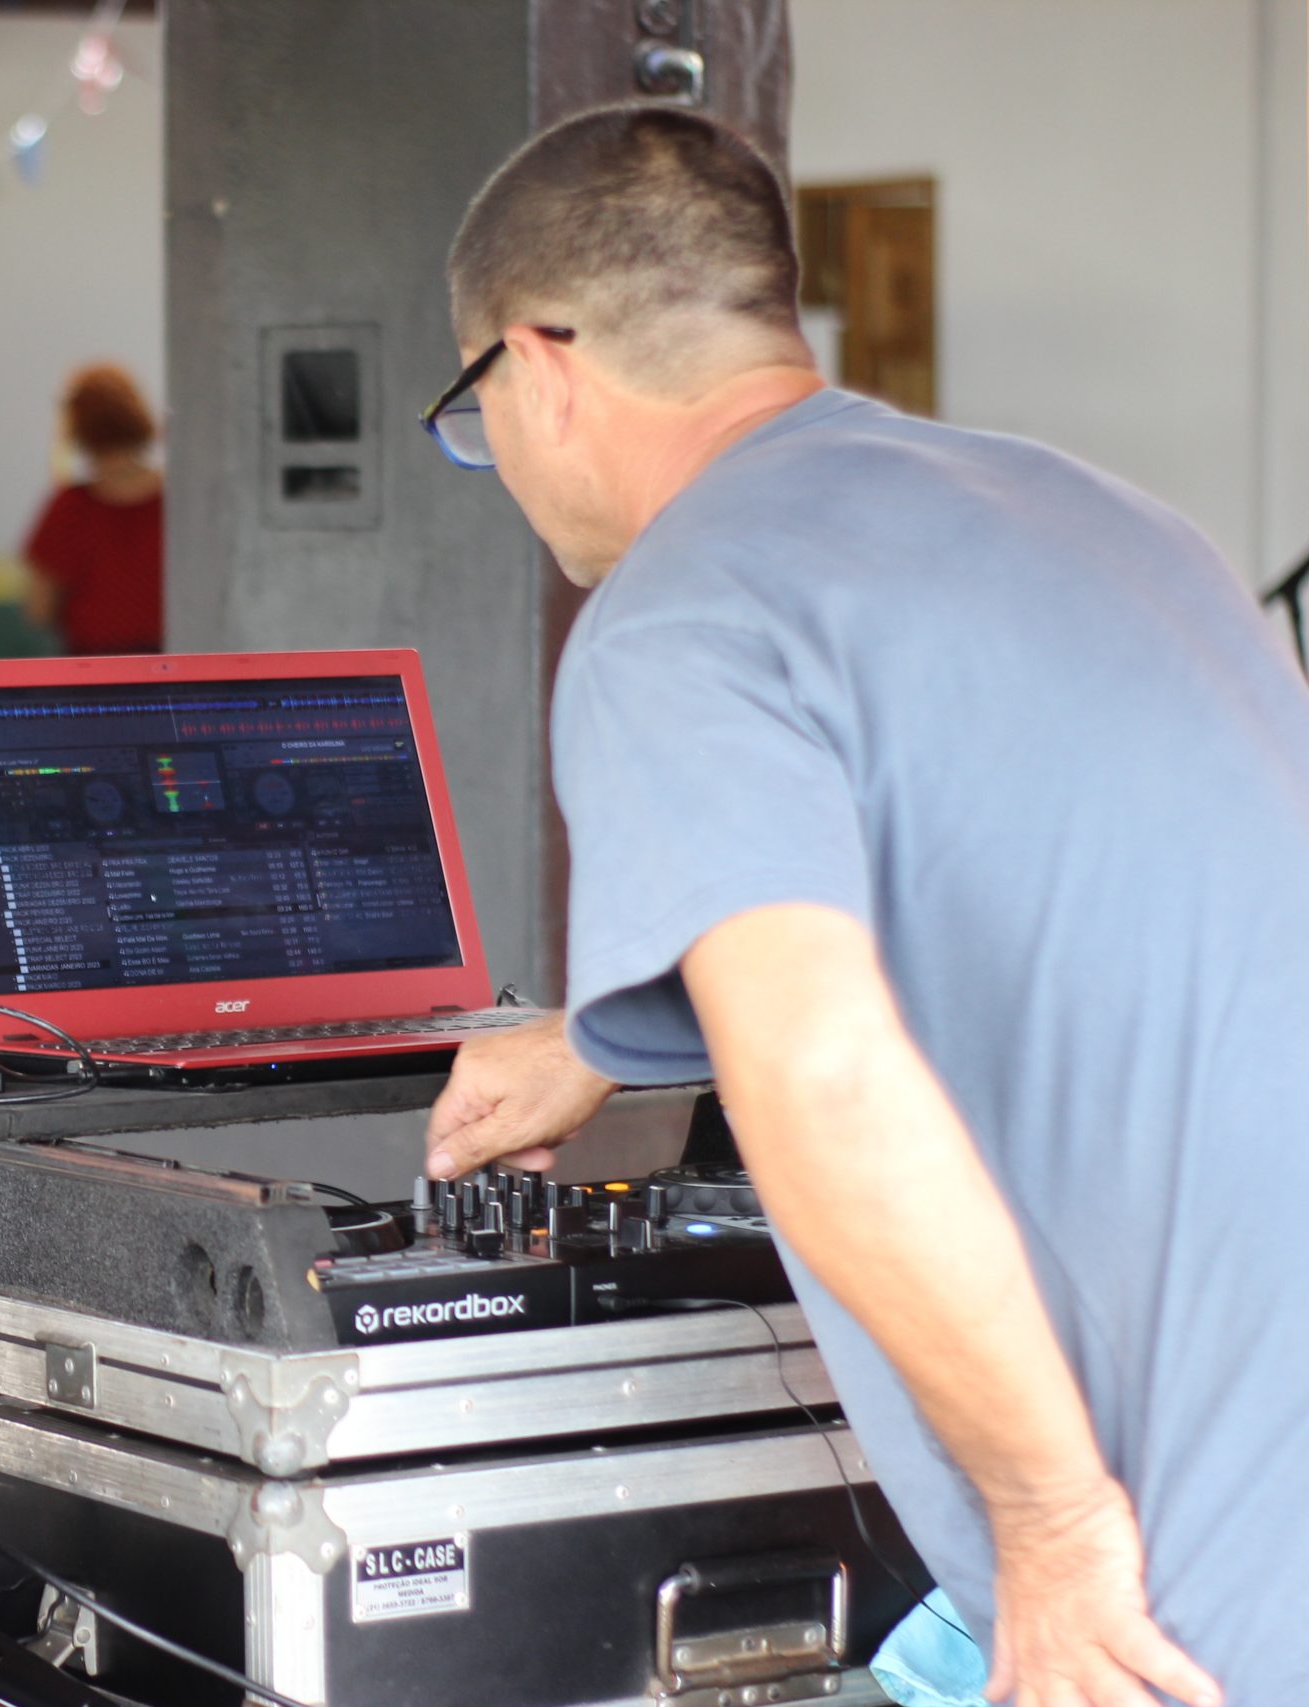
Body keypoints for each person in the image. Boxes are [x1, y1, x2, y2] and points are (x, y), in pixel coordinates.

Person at [417, 106, 1304, 1704]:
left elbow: (822, 1070)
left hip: (1177, 1604)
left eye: (475, 417)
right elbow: (1064, 895)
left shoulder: (680, 611)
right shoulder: (1109, 524)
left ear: (537, 367)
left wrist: (1051, 1525)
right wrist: (605, 1036)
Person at [21, 363, 164, 654]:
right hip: (173, 663)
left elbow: (39, 608)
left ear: (76, 427)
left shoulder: (71, 508)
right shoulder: (180, 502)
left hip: (92, 667)